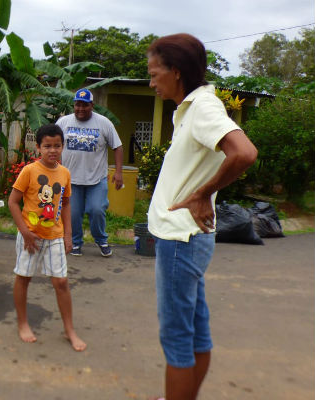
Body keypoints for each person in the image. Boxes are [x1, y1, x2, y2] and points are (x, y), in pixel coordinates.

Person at [146, 34, 257, 400]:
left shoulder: (202, 108)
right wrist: (201, 190)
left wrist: (203, 193)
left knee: (177, 337)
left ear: (176, 72)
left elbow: (243, 152)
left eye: (154, 73)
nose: (151, 82)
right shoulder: (190, 110)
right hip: (186, 238)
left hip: (180, 241)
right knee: (195, 330)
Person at [8, 123, 86, 352]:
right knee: (24, 277)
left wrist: (69, 236)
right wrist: (24, 232)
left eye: (57, 146)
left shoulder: (64, 173)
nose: (52, 150)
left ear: (63, 147)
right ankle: (22, 324)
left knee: (61, 282)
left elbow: (67, 203)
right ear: (38, 147)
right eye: (47, 146)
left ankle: (69, 330)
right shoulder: (29, 171)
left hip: (55, 235)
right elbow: (13, 202)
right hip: (30, 236)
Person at [56, 88, 124, 257]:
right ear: (74, 105)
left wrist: (119, 172)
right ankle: (76, 242)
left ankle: (101, 239)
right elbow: (52, 143)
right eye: (77, 104)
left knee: (97, 210)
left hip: (96, 179)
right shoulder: (63, 123)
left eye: (85, 105)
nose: (80, 108)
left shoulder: (104, 123)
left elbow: (117, 146)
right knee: (73, 213)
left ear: (92, 105)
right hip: (70, 179)